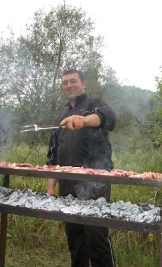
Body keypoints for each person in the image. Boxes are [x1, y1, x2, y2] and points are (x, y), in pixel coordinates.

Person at [47, 69, 116, 267]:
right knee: (75, 240)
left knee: (97, 239)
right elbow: (53, 156)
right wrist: (51, 187)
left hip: (96, 184)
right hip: (67, 185)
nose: (69, 85)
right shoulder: (61, 117)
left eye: (73, 81)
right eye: (65, 83)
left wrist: (84, 120)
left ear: (83, 83)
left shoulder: (96, 104)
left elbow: (109, 118)